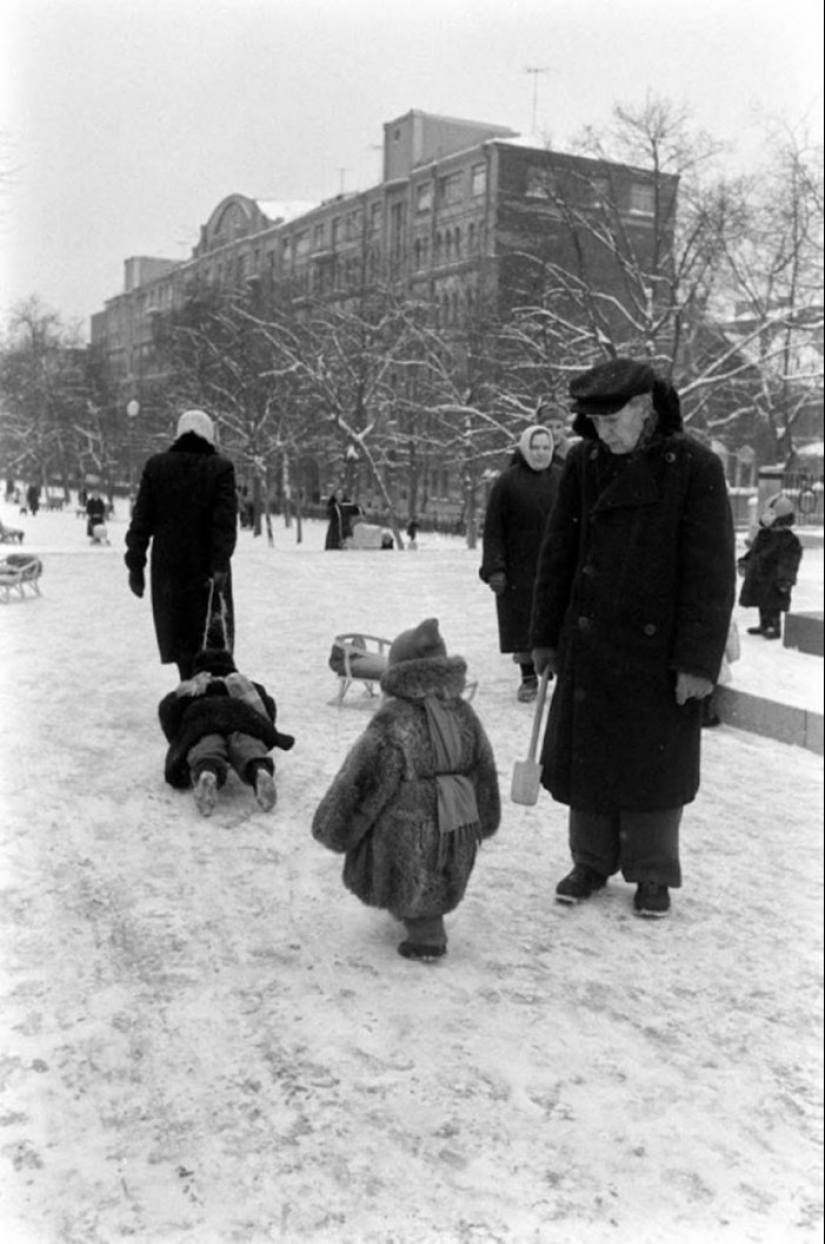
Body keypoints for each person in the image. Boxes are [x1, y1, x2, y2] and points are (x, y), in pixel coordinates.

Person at [530, 358, 735, 918]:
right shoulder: (584, 464)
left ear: (646, 408)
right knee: (590, 758)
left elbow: (712, 573)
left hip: (659, 652)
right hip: (590, 644)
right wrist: (544, 636)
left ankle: (651, 872)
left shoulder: (695, 467)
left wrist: (698, 660)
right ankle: (590, 860)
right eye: (594, 422)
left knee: (654, 762)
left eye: (614, 418)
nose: (605, 432)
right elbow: (558, 554)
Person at [311, 618, 501, 961]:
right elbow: (482, 766)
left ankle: (427, 935)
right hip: (458, 813)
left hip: (413, 820)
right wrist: (485, 816)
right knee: (440, 864)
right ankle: (418, 911)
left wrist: (334, 824)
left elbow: (363, 776)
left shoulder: (395, 717)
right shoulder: (463, 711)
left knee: (415, 859)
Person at [125, 409, 238, 680]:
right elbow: (223, 523)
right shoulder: (221, 468)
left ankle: (188, 688)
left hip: (169, 573)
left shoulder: (156, 467)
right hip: (207, 572)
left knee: (181, 644)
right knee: (211, 641)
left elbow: (141, 522)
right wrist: (220, 563)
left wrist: (135, 566)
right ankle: (205, 701)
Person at [158, 644, 295, 817]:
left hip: (203, 717)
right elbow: (269, 706)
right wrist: (263, 728)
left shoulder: (194, 686)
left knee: (207, 744)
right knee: (246, 741)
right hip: (241, 714)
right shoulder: (245, 684)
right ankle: (258, 768)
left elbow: (167, 710)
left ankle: (207, 770)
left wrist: (179, 736)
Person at [479, 424, 562, 701]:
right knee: (524, 623)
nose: (540, 454)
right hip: (519, 568)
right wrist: (495, 568)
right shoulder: (507, 483)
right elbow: (493, 529)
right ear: (525, 448)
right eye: (535, 448)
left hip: (556, 564)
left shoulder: (563, 480)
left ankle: (560, 675)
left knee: (557, 620)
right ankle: (528, 678)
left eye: (546, 448)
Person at [737, 493, 803, 641]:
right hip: (760, 575)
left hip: (776, 578)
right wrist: (745, 561)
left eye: (771, 513)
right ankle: (764, 624)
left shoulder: (789, 540)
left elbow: (790, 561)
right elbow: (754, 552)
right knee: (762, 600)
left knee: (773, 602)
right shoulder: (763, 534)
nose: (767, 516)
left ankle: (773, 625)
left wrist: (786, 578)